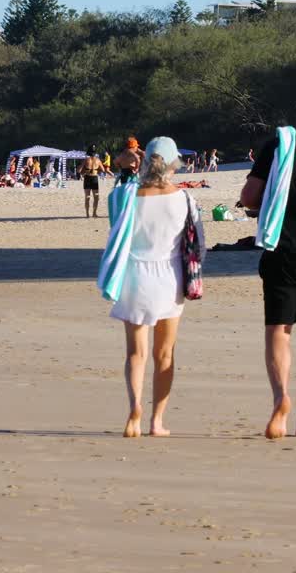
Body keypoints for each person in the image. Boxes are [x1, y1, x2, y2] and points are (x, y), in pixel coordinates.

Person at [108, 137, 205, 438]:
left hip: (134, 274)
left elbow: (116, 230)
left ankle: (134, 409)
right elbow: (198, 246)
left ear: (143, 160)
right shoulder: (185, 199)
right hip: (170, 277)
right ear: (174, 163)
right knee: (165, 354)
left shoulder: (123, 196)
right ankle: (156, 420)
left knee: (135, 353)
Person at [239, 129, 296, 438]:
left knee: (279, 330)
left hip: (284, 249)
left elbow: (249, 196)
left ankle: (281, 398)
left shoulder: (279, 145)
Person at [81, 146, 105, 218]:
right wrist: (96, 170)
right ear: (95, 153)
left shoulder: (86, 160)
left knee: (87, 197)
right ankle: (94, 213)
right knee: (96, 197)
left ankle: (87, 214)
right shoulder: (98, 160)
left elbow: (80, 171)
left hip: (87, 178)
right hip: (94, 178)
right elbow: (103, 170)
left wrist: (85, 171)